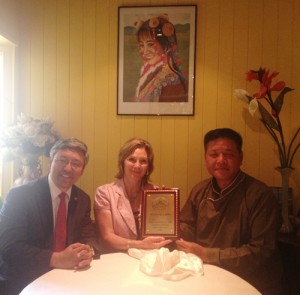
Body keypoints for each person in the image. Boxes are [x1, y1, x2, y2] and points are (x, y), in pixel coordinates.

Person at [176, 128, 283, 295]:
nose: (221, 160)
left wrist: (207, 254)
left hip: (247, 279)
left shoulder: (260, 196)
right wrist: (166, 226)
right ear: (205, 157)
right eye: (214, 154)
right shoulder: (200, 190)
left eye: (228, 154)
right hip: (202, 272)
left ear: (241, 158)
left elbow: (260, 251)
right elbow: (187, 225)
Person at [0, 138, 101, 295]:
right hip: (24, 280)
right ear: (50, 161)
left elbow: (90, 236)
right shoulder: (19, 196)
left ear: (82, 170)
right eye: (62, 160)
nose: (68, 168)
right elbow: (9, 248)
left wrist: (88, 251)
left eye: (76, 164)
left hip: (68, 278)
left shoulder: (82, 199)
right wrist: (57, 258)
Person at [94, 138, 172, 253]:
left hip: (148, 260)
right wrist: (141, 244)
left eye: (143, 161)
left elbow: (164, 233)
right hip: (115, 259)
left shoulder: (155, 194)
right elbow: (108, 236)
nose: (137, 165)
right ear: (122, 162)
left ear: (148, 168)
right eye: (132, 159)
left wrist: (167, 206)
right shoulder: (104, 193)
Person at [132, 14, 188, 102]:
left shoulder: (171, 80)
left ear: (165, 46)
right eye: (141, 45)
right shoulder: (151, 73)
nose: (144, 51)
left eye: (150, 44)